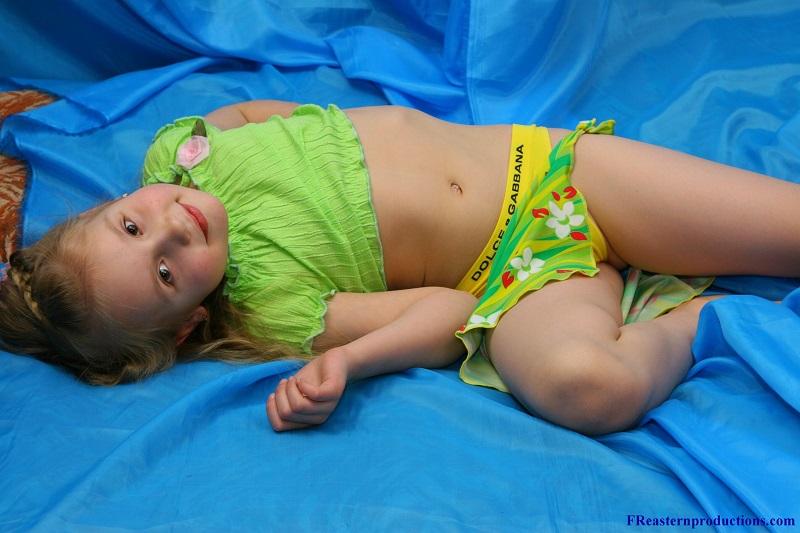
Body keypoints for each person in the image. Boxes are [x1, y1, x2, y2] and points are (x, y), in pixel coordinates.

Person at [1, 100, 799, 437]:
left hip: (560, 176)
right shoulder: (272, 305)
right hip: (518, 274)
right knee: (583, 388)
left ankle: (663, 260)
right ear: (188, 325)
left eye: (132, 223)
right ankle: (700, 317)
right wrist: (351, 360)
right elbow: (452, 313)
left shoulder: (189, 152)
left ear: (116, 201)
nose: (174, 230)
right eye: (167, 274)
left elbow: (262, 115)